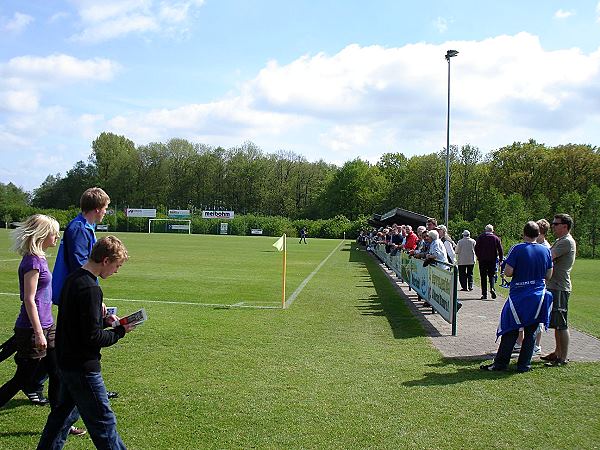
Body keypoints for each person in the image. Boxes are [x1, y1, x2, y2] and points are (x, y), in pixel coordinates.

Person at [37, 236, 135, 450]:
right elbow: (93, 338)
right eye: (117, 265)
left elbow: (75, 325)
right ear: (106, 260)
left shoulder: (73, 279)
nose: (116, 271)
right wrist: (120, 331)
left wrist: (101, 319)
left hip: (66, 363)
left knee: (61, 419)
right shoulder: (91, 289)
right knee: (104, 424)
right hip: (83, 369)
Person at [0, 215, 60, 408]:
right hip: (32, 329)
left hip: (47, 325)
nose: (57, 236)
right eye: (54, 232)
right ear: (43, 234)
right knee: (22, 378)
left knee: (58, 371)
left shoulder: (40, 258)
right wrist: (38, 333)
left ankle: (62, 421)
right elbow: (29, 299)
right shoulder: (33, 262)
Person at [480, 221, 553, 373]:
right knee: (531, 330)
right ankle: (524, 365)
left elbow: (508, 272)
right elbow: (549, 274)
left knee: (511, 328)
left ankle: (501, 364)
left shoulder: (518, 249)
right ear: (538, 233)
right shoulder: (545, 250)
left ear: (523, 233)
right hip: (538, 295)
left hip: (519, 295)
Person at [541, 213, 576, 367]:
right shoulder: (560, 240)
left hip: (560, 287)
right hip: (554, 285)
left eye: (556, 224)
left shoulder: (566, 242)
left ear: (565, 226)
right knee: (556, 322)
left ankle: (562, 358)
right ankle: (557, 352)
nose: (553, 226)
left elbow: (549, 256)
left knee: (562, 323)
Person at [475, 224, 504, 300]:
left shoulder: (481, 237)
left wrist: (479, 256)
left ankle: (484, 294)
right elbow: (500, 249)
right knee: (491, 275)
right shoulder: (496, 238)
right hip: (492, 260)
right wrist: (501, 259)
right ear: (492, 230)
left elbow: (476, 248)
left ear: (485, 230)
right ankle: (492, 287)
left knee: (483, 277)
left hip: (483, 260)